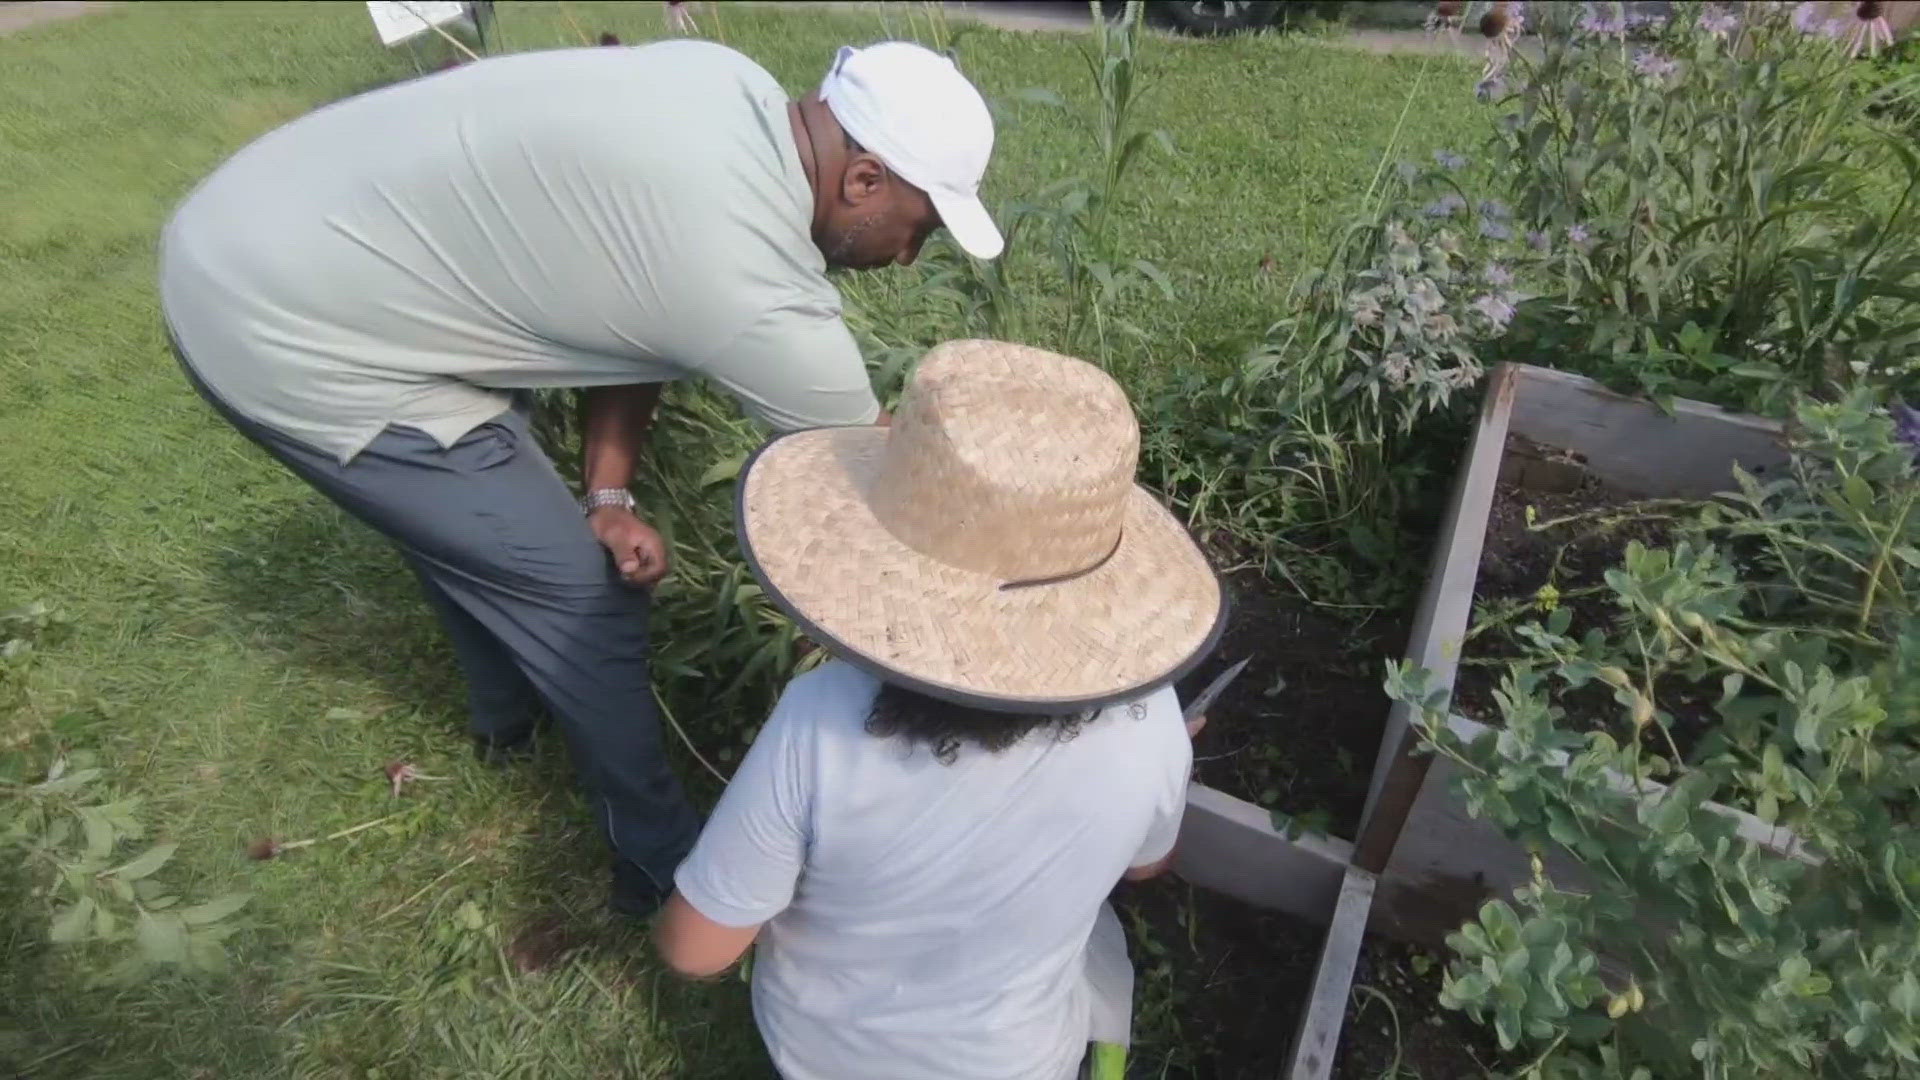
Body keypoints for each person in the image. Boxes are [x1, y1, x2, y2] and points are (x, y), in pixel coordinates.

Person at [157, 38, 1003, 917]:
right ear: (863, 181)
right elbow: (883, 476)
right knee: (583, 601)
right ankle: (661, 869)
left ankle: (506, 720)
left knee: (479, 525)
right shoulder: (751, 286)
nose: (907, 258)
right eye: (922, 228)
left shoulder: (728, 81)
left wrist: (607, 495)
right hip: (280, 324)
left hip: (269, 216)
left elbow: (636, 307)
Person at [654, 340, 1227, 1080]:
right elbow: (1149, 867)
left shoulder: (822, 720)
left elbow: (694, 949)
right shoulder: (1151, 726)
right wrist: (1165, 757)